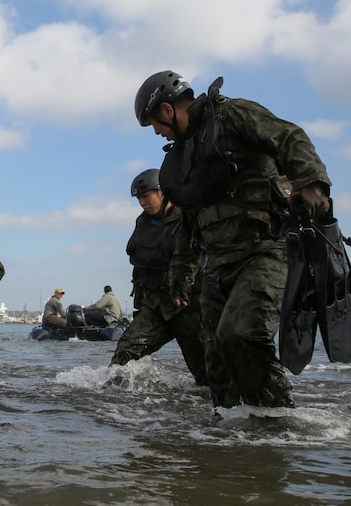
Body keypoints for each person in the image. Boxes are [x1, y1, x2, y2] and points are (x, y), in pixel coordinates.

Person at [135, 71, 332, 409]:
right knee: (216, 360)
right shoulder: (182, 160)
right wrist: (180, 272)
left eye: (155, 123)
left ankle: (276, 420)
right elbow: (189, 221)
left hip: (264, 250)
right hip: (216, 265)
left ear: (167, 110)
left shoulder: (231, 116)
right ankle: (230, 437)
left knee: (241, 334)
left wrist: (312, 183)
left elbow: (289, 137)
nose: (156, 132)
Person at [109, 169, 207, 386]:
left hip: (189, 308)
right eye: (139, 199)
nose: (142, 203)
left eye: (146, 196)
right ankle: (111, 404)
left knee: (206, 373)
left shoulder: (189, 216)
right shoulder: (142, 222)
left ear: (163, 192)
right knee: (125, 354)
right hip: (155, 307)